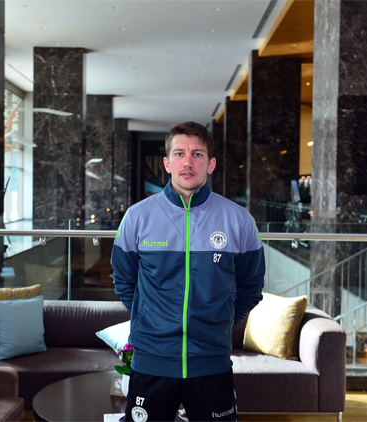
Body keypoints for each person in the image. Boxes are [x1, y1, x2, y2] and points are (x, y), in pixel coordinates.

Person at [111, 121, 265, 422]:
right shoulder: (137, 217)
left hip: (212, 364)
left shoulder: (239, 220)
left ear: (211, 164)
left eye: (197, 154)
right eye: (179, 153)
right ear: (167, 163)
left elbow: (251, 287)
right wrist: (149, 317)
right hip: (151, 363)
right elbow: (123, 281)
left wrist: (219, 322)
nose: (188, 162)